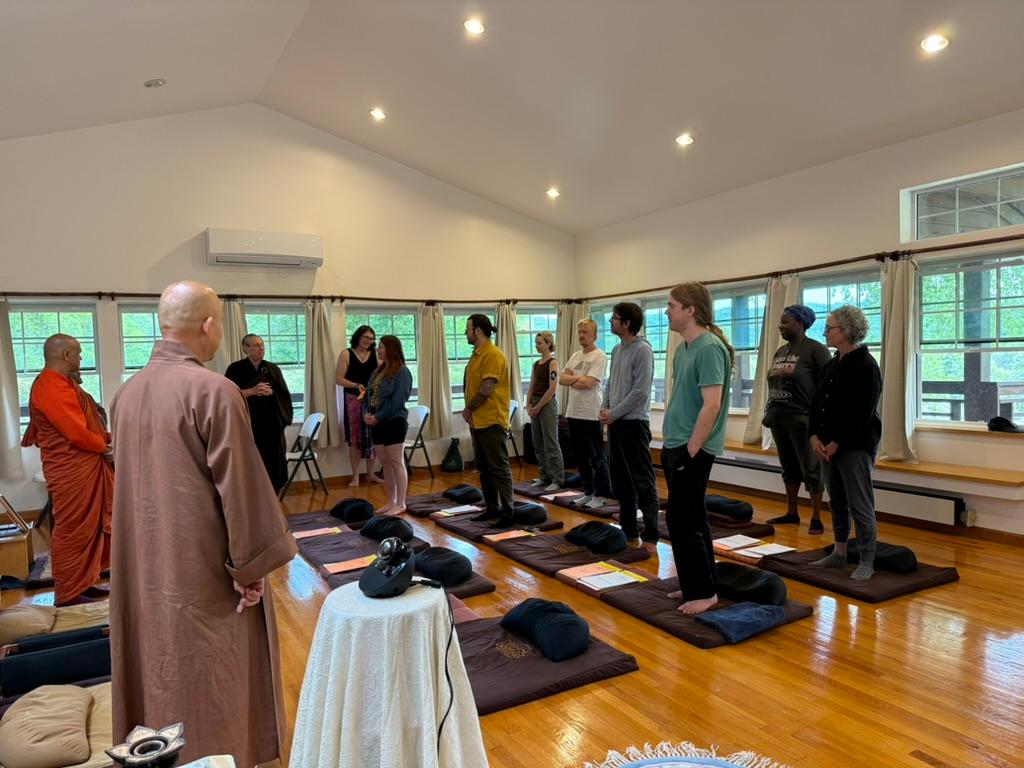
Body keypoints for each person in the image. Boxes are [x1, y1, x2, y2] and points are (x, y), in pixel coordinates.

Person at [109, 280, 297, 767]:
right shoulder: (215, 390)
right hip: (203, 567)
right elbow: (241, 489)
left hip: (143, 562)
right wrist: (250, 569)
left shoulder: (126, 393)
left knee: (156, 655)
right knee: (213, 666)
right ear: (209, 325)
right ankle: (217, 755)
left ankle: (154, 751)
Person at [20, 334, 112, 607]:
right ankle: (67, 593)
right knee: (73, 529)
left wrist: (106, 438)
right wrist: (104, 446)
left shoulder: (64, 383)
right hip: (71, 469)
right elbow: (76, 433)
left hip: (84, 464)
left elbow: (86, 424)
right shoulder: (50, 386)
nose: (81, 358)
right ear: (67, 355)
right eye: (79, 354)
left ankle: (84, 582)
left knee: (90, 527)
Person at [662, 283, 734, 614]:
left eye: (671, 306)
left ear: (690, 310)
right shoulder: (683, 349)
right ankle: (696, 584)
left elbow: (712, 404)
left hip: (693, 447)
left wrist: (693, 446)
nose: (667, 312)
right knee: (689, 517)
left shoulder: (710, 348)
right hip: (675, 442)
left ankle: (704, 592)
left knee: (682, 519)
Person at [808, 305, 882, 581]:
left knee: (860, 504)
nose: (825, 333)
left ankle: (867, 559)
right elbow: (817, 405)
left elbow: (862, 413)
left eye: (830, 328)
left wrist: (837, 442)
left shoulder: (866, 366)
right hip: (827, 445)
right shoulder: (831, 365)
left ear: (848, 331)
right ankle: (839, 552)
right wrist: (814, 436)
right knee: (836, 500)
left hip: (855, 446)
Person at [762, 305, 831, 533]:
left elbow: (827, 386)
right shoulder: (781, 351)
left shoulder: (815, 350)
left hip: (803, 418)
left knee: (811, 467)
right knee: (788, 466)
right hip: (779, 417)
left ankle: (816, 517)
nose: (780, 326)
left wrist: (821, 420)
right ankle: (792, 513)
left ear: (800, 324)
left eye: (785, 322)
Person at [599, 302, 659, 552]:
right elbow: (610, 382)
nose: (610, 322)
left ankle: (652, 535)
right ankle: (629, 530)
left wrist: (613, 412)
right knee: (621, 481)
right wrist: (605, 407)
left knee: (642, 481)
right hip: (616, 423)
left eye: (614, 318)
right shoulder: (617, 349)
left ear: (626, 323)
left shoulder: (643, 350)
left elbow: (640, 391)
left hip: (634, 423)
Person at [461, 314, 514, 527]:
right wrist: (471, 413)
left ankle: (508, 513)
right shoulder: (477, 354)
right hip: (478, 420)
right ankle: (492, 508)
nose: (466, 333)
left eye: (468, 329)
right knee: (484, 468)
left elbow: (486, 389)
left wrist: (468, 409)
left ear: (478, 330)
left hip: (492, 420)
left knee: (498, 468)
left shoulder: (492, 354)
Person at [224, 334, 293, 493]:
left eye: (262, 345)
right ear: (245, 348)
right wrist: (252, 391)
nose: (261, 348)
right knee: (249, 463)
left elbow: (284, 396)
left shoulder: (272, 369)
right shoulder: (235, 369)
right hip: (247, 424)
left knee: (274, 464)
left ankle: (273, 496)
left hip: (271, 426)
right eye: (256, 345)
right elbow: (227, 396)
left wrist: (272, 393)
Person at [560, 319, 612, 508]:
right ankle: (588, 492)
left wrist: (573, 379)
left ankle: (601, 496)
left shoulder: (600, 356)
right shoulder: (575, 356)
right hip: (573, 412)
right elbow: (561, 379)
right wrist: (579, 378)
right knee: (580, 457)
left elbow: (589, 383)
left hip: (591, 413)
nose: (581, 335)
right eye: (579, 332)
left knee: (597, 457)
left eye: (585, 332)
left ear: (594, 335)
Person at [364, 335, 413, 516]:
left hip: (394, 421)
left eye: (381, 347)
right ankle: (390, 501)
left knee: (396, 462)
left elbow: (397, 401)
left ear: (391, 349)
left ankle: (400, 503)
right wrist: (367, 414)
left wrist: (377, 417)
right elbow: (369, 395)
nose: (378, 350)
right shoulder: (378, 371)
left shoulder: (402, 372)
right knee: (385, 463)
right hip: (377, 422)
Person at [335, 325, 383, 487]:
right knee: (355, 439)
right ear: (358, 337)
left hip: (372, 401)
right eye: (366, 337)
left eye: (371, 338)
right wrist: (356, 385)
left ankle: (370, 474)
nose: (368, 341)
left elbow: (383, 376)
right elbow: (339, 379)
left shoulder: (376, 355)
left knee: (372, 438)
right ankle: (355, 476)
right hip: (352, 401)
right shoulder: (346, 354)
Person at [526, 331, 564, 491]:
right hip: (535, 402)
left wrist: (538, 406)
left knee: (551, 442)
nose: (537, 346)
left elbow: (552, 389)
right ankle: (544, 475)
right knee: (538, 442)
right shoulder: (536, 364)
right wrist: (528, 404)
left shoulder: (553, 363)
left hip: (547, 404)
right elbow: (532, 385)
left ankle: (557, 478)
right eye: (536, 343)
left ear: (548, 344)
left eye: (540, 343)